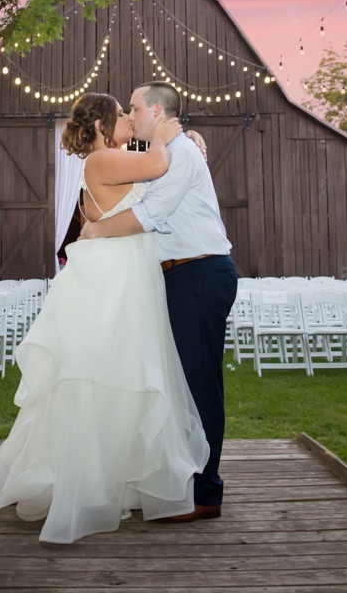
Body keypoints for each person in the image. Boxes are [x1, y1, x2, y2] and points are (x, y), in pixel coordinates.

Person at [0, 92, 209, 544]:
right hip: (115, 280)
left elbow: (146, 164)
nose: (130, 118)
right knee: (107, 373)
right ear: (107, 123)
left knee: (125, 373)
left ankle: (120, 475)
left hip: (128, 275)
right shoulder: (103, 161)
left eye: (132, 112)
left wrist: (176, 139)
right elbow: (159, 162)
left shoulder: (114, 156)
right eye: (122, 114)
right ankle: (95, 481)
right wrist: (172, 135)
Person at [80, 81, 238, 523]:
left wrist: (93, 234)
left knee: (200, 384)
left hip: (200, 272)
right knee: (180, 384)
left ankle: (206, 493)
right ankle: (183, 480)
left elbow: (150, 215)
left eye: (133, 108)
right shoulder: (167, 153)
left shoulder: (181, 153)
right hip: (179, 275)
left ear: (154, 110)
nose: (130, 117)